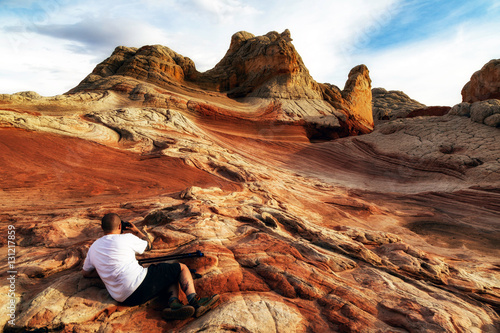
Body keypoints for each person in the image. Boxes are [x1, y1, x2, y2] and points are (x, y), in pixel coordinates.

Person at [82, 213, 219, 320]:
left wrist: (103, 270)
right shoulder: (126, 238)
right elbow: (148, 245)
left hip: (122, 298)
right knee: (181, 268)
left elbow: (86, 273)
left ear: (102, 228)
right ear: (120, 227)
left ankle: (174, 305)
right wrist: (136, 231)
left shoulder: (93, 247)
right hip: (140, 286)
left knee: (166, 273)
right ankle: (196, 302)